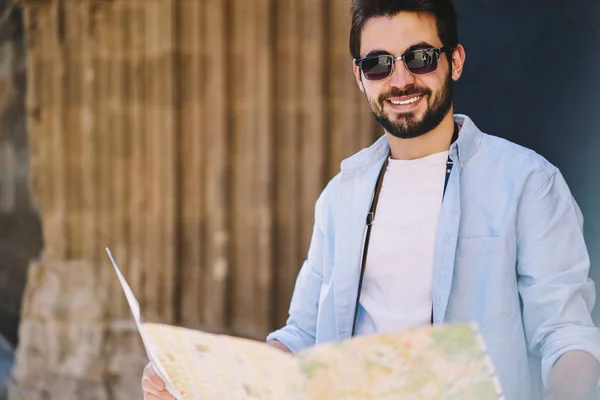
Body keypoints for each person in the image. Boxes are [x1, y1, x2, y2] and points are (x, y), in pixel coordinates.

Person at [142, 0, 600, 399]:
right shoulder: (342, 195)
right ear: (359, 76)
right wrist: (197, 380)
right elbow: (300, 337)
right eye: (379, 64)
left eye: (420, 58)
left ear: (455, 61)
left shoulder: (528, 183)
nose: (400, 80)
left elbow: (566, 335)